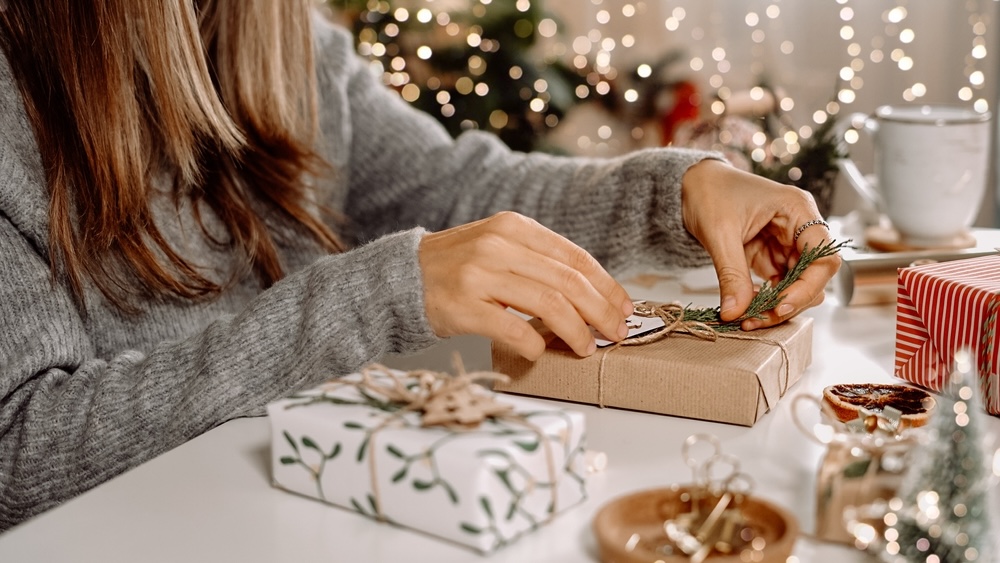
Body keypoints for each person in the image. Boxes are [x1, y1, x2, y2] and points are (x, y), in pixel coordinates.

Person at [0, 0, 840, 531]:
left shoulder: (292, 44)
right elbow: (18, 452)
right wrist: (374, 296)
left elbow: (455, 187)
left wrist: (679, 192)